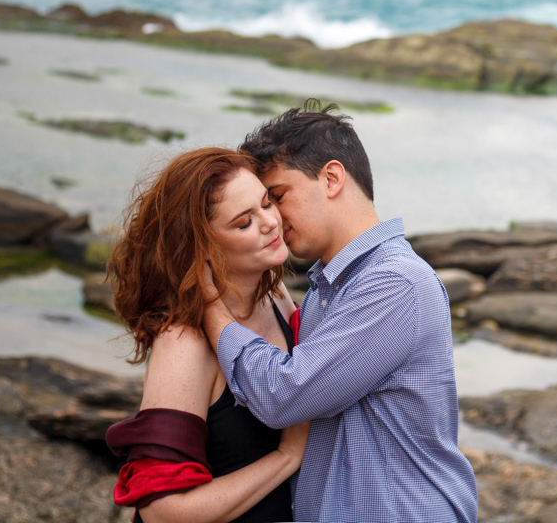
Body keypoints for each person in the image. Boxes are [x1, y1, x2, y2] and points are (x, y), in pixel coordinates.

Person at [202, 105, 478, 523]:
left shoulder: (394, 283)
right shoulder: (324, 291)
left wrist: (212, 310)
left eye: (277, 196)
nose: (273, 217)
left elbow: (284, 395)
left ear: (331, 178)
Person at [104, 147, 309, 523]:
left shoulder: (275, 296)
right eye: (244, 222)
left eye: (267, 203)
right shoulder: (184, 343)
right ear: (204, 246)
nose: (270, 222)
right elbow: (162, 513)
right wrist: (286, 458)